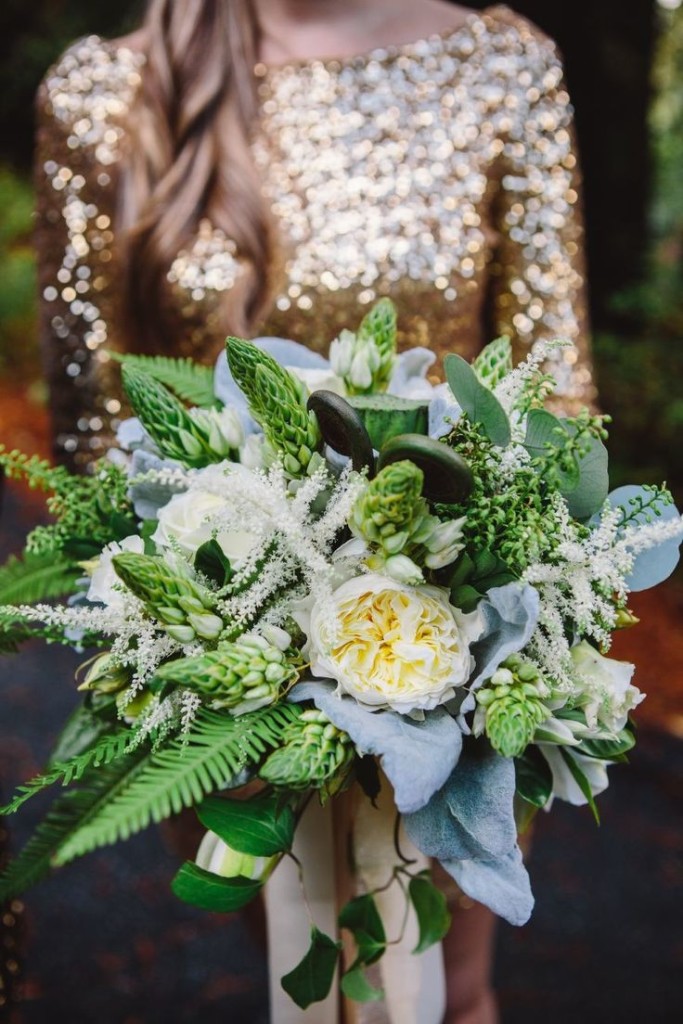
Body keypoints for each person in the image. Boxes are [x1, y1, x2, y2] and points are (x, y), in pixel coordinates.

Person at [34, 1, 596, 1021]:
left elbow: (553, 399)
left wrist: (548, 622)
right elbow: (99, 447)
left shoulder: (503, 67)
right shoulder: (105, 93)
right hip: (229, 676)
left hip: (463, 658)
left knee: (442, 992)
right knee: (315, 983)